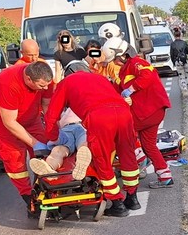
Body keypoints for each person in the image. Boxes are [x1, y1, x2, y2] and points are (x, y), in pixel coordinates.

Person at [41, 60, 140, 216]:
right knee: (127, 155)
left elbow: (52, 115)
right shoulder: (100, 78)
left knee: (102, 159)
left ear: (68, 73)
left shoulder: (66, 83)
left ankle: (117, 203)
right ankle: (133, 198)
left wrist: (53, 137)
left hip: (98, 117)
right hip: (123, 113)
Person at [0, 61, 54, 218]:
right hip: (2, 121)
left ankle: (47, 187)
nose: (45, 88)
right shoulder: (8, 82)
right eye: (41, 86)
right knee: (15, 158)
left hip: (31, 117)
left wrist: (52, 130)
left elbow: (47, 106)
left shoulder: (46, 79)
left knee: (46, 152)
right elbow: (9, 122)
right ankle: (29, 199)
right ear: (28, 79)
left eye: (47, 85)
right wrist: (35, 143)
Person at [104, 37, 173, 189]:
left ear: (121, 54)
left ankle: (140, 158)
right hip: (151, 112)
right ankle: (165, 176)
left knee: (120, 132)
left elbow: (148, 75)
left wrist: (132, 89)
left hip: (146, 112)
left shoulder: (136, 63)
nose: (114, 63)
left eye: (114, 59)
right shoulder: (125, 69)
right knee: (149, 145)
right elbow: (118, 89)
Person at [27, 106, 92, 181]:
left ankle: (81, 162)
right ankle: (49, 169)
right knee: (58, 149)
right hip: (68, 129)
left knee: (82, 146)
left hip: (83, 127)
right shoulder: (65, 107)